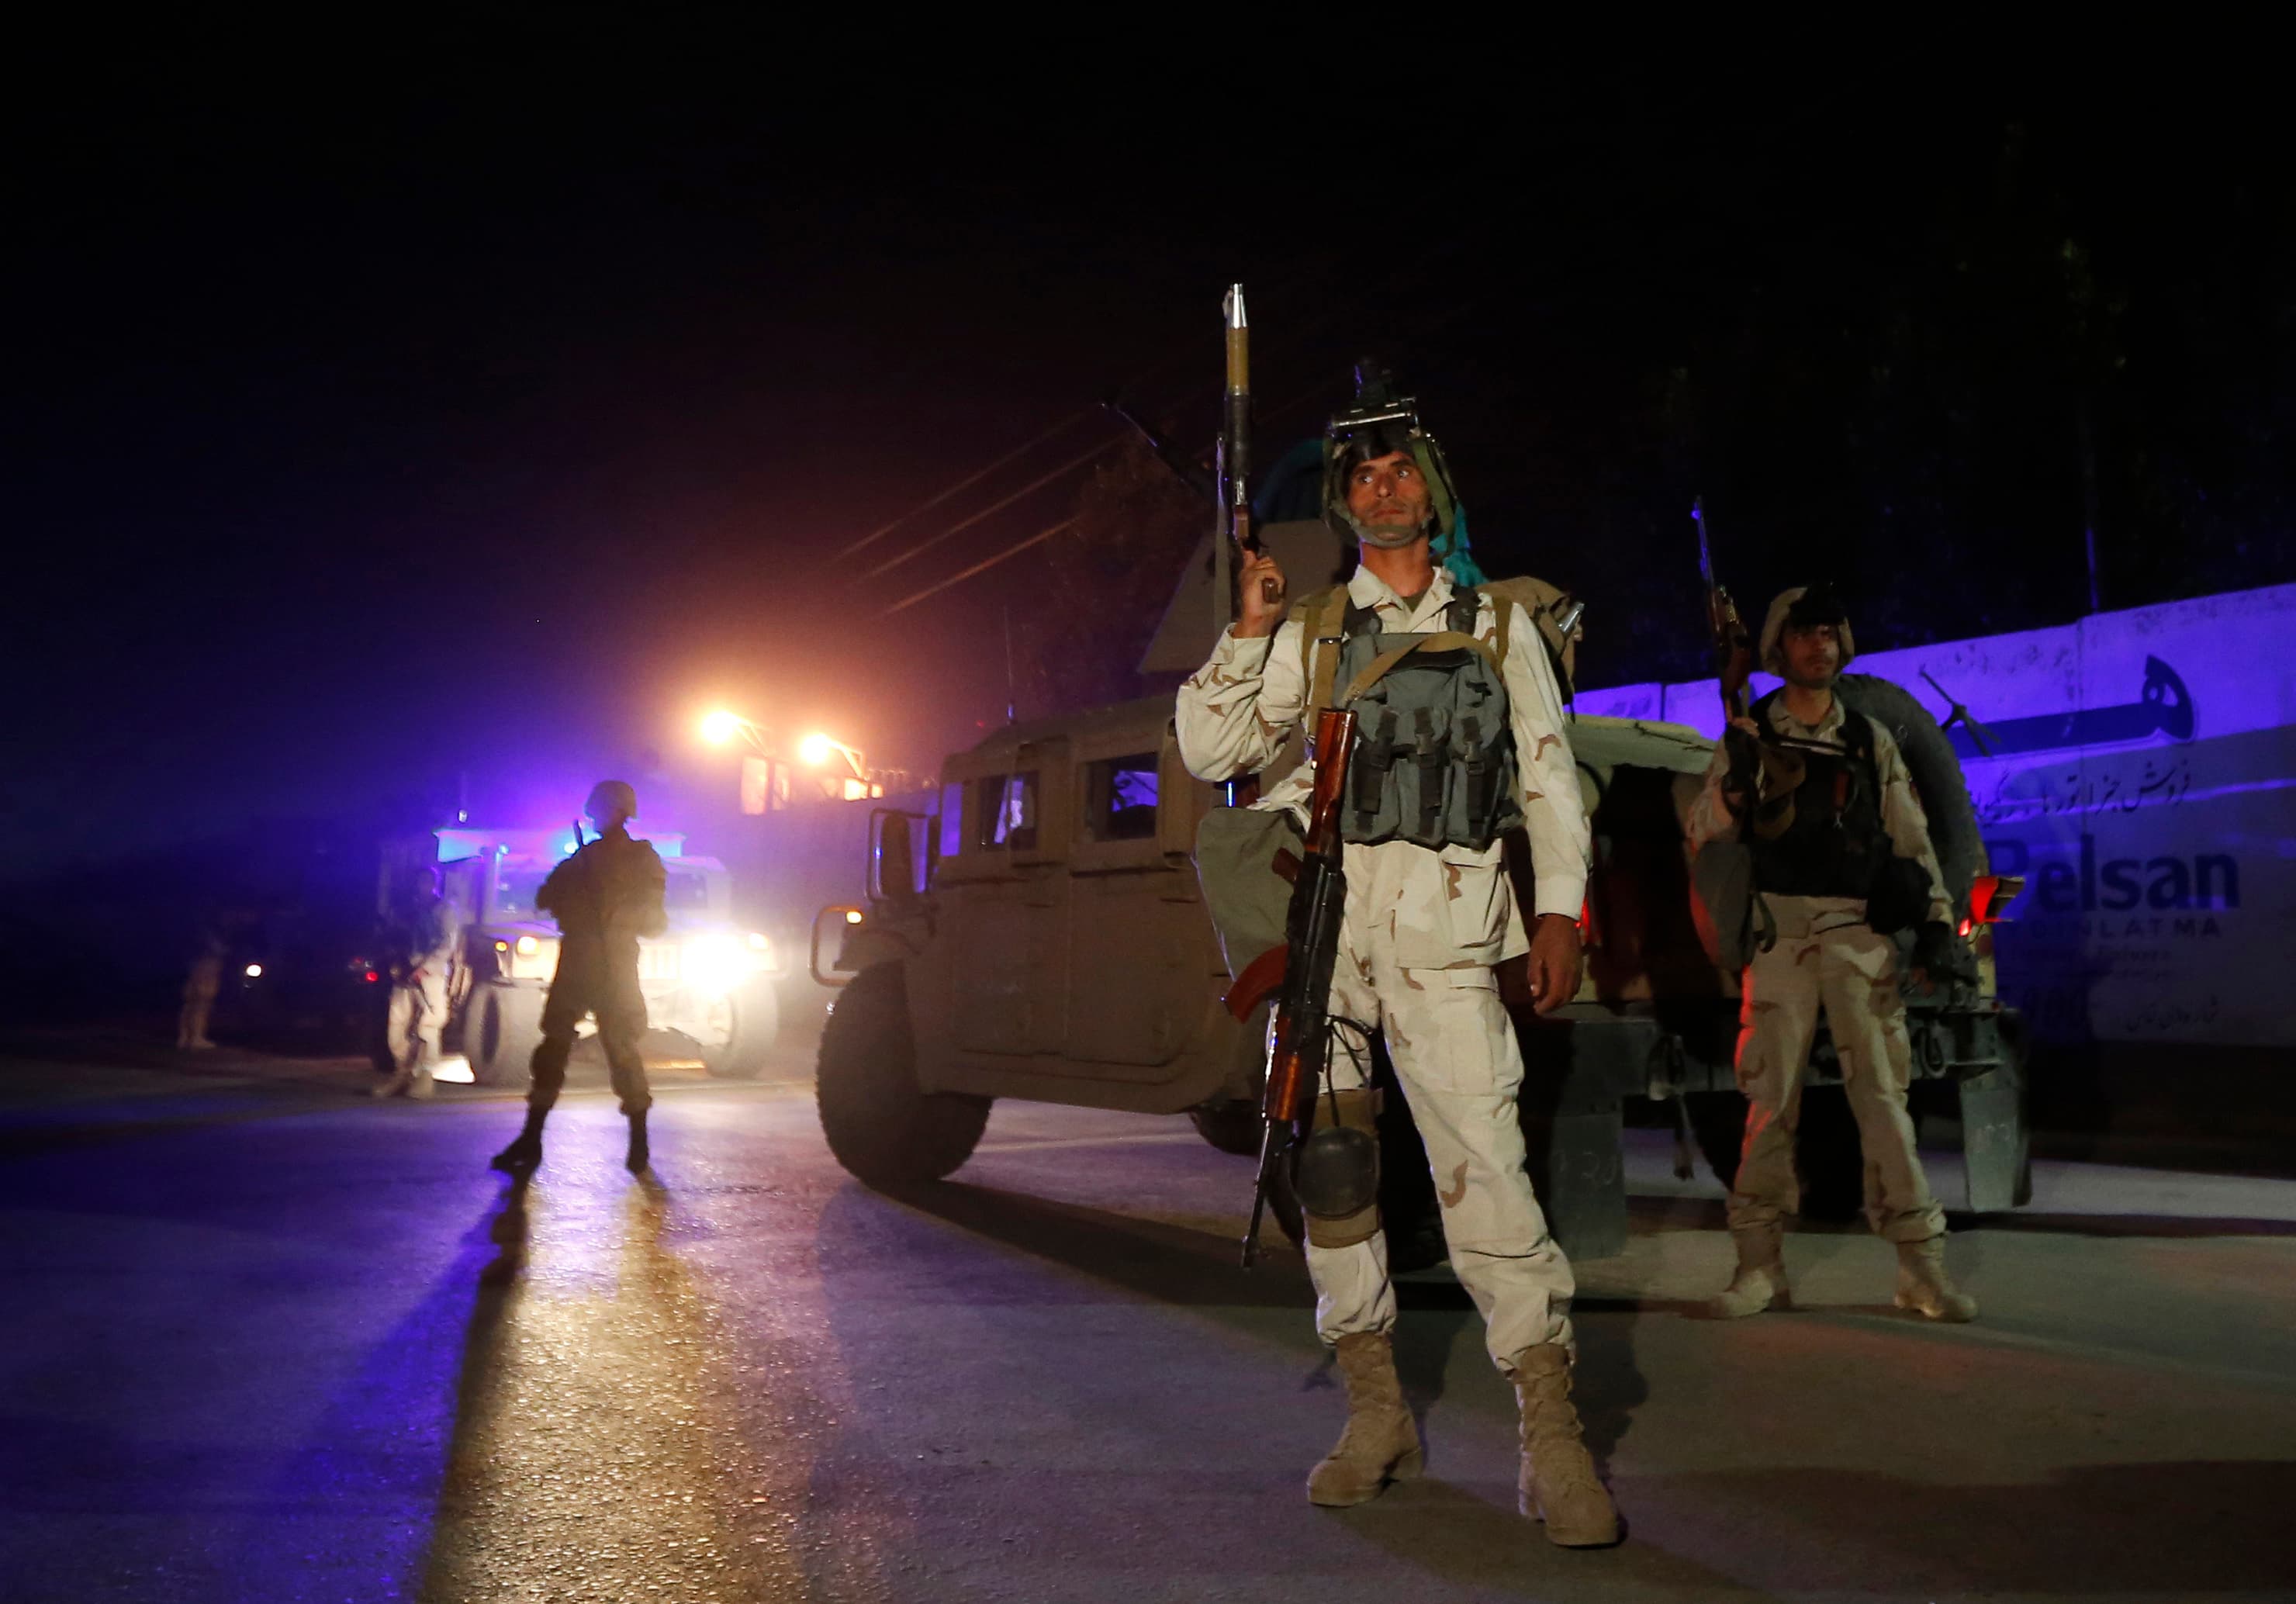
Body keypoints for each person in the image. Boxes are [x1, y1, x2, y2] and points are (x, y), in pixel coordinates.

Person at [1175, 365, 1618, 1547]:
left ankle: (1551, 1434)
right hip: (1328, 939)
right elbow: (1210, 748)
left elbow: (1547, 776)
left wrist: (1564, 911)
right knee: (1334, 1173)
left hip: (1448, 939)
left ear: (1432, 493)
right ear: (1344, 502)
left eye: (1398, 467)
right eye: (1360, 472)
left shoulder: (1498, 623)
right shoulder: (1313, 630)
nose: (1381, 486)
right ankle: (1377, 1413)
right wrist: (1252, 627)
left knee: (1489, 1181)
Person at [1686, 586, 1980, 1322]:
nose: (1817, 645)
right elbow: (1702, 829)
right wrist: (1733, 795)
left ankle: (1921, 1267)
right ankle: (1758, 1267)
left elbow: (1910, 840)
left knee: (1884, 1104)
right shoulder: (1750, 735)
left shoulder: (1868, 740)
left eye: (1829, 633)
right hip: (1781, 934)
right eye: (1803, 633)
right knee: (1768, 1104)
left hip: (1858, 936)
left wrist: (1940, 926)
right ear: (1779, 648)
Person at [489, 781, 666, 1174]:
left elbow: (655, 920)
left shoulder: (642, 858)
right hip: (580, 962)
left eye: (604, 808)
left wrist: (615, 915)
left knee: (622, 1050)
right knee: (553, 1049)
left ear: (622, 812)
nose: (597, 816)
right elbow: (545, 896)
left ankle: (639, 1143)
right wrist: (575, 895)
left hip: (615, 964)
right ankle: (531, 1138)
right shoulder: (583, 857)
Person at [374, 883, 458, 1101]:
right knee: (397, 1024)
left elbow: (448, 942)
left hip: (430, 975)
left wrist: (426, 967)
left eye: (426, 882)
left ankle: (424, 1076)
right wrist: (397, 963)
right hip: (404, 973)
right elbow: (394, 938)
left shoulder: (445, 910)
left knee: (427, 1025)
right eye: (419, 882)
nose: (422, 888)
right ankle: (401, 1074)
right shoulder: (408, 909)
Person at [177, 927, 225, 1050]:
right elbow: (217, 950)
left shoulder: (195, 937)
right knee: (201, 1005)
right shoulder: (209, 938)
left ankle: (185, 1037)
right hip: (204, 970)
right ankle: (195, 1037)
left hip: (197, 970)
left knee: (191, 1005)